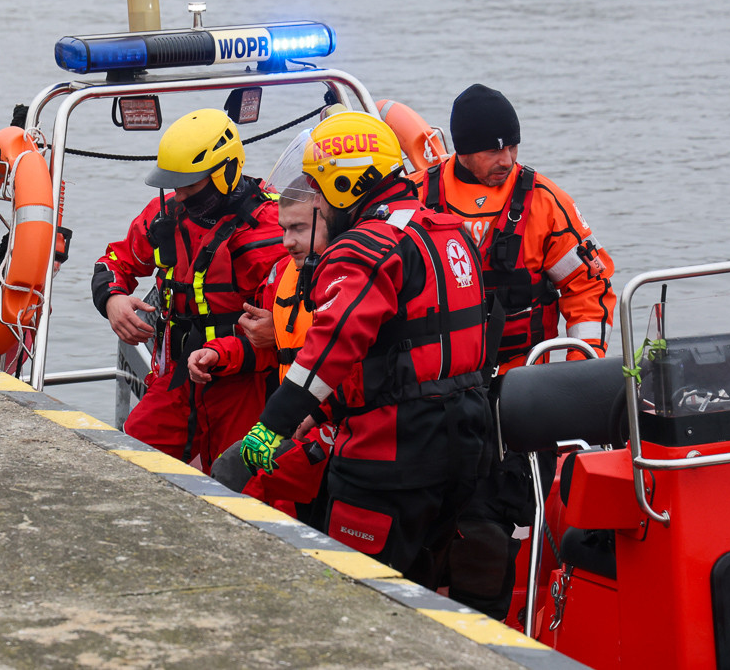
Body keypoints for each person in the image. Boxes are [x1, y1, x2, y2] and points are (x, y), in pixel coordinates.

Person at [238, 111, 493, 587]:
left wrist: (273, 425)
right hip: (466, 444)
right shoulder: (448, 229)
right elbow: (420, 346)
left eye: (318, 183)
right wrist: (320, 413)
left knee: (354, 589)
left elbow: (334, 343)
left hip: (393, 456)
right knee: (425, 586)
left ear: (342, 183)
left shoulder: (364, 245)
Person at [417, 84, 616, 620]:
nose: (506, 160)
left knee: (488, 526)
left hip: (515, 391)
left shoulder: (542, 203)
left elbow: (588, 291)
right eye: (493, 149)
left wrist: (576, 378)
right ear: (462, 148)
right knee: (423, 514)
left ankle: (486, 624)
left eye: (513, 147)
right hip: (432, 391)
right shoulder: (417, 198)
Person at [91, 108, 287, 472]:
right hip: (178, 377)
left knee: (247, 482)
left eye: (191, 186)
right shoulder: (164, 214)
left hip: (244, 383)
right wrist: (114, 299)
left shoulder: (272, 231)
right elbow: (114, 261)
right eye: (174, 183)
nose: (179, 195)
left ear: (226, 172)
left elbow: (281, 334)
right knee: (129, 461)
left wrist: (221, 353)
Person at [188, 158, 335, 521]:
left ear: (329, 219)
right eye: (284, 229)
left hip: (331, 427)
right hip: (293, 424)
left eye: (299, 229)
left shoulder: (349, 277)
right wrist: (216, 353)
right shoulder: (282, 276)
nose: (288, 242)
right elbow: (265, 348)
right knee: (229, 476)